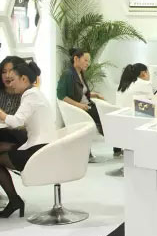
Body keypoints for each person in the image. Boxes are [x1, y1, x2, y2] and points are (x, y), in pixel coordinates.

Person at [0, 62, 56, 218]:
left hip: (39, 150)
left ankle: (14, 200)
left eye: (13, 80)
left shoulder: (30, 95)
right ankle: (14, 200)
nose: (11, 84)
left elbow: (16, 121)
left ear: (23, 79)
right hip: (43, 146)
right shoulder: (35, 93)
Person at [56, 48, 115, 156]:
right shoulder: (68, 74)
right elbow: (61, 95)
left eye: (89, 61)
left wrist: (95, 94)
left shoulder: (80, 73)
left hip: (87, 105)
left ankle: (117, 146)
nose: (88, 63)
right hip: (81, 109)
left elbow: (80, 92)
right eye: (85, 60)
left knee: (108, 117)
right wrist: (78, 105)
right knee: (106, 119)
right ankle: (118, 146)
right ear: (76, 59)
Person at [0, 56, 28, 147]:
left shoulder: (27, 94)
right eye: (4, 72)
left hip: (20, 138)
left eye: (11, 71)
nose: (7, 75)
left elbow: (24, 125)